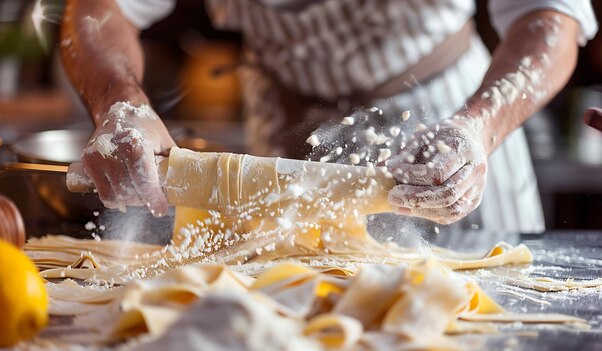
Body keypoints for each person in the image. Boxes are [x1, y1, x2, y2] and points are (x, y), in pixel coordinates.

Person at [60, 0, 597, 238]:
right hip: (282, 133)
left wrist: (476, 128)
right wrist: (120, 104)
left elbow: (549, 16)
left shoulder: (466, 133)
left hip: (452, 127)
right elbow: (99, 9)